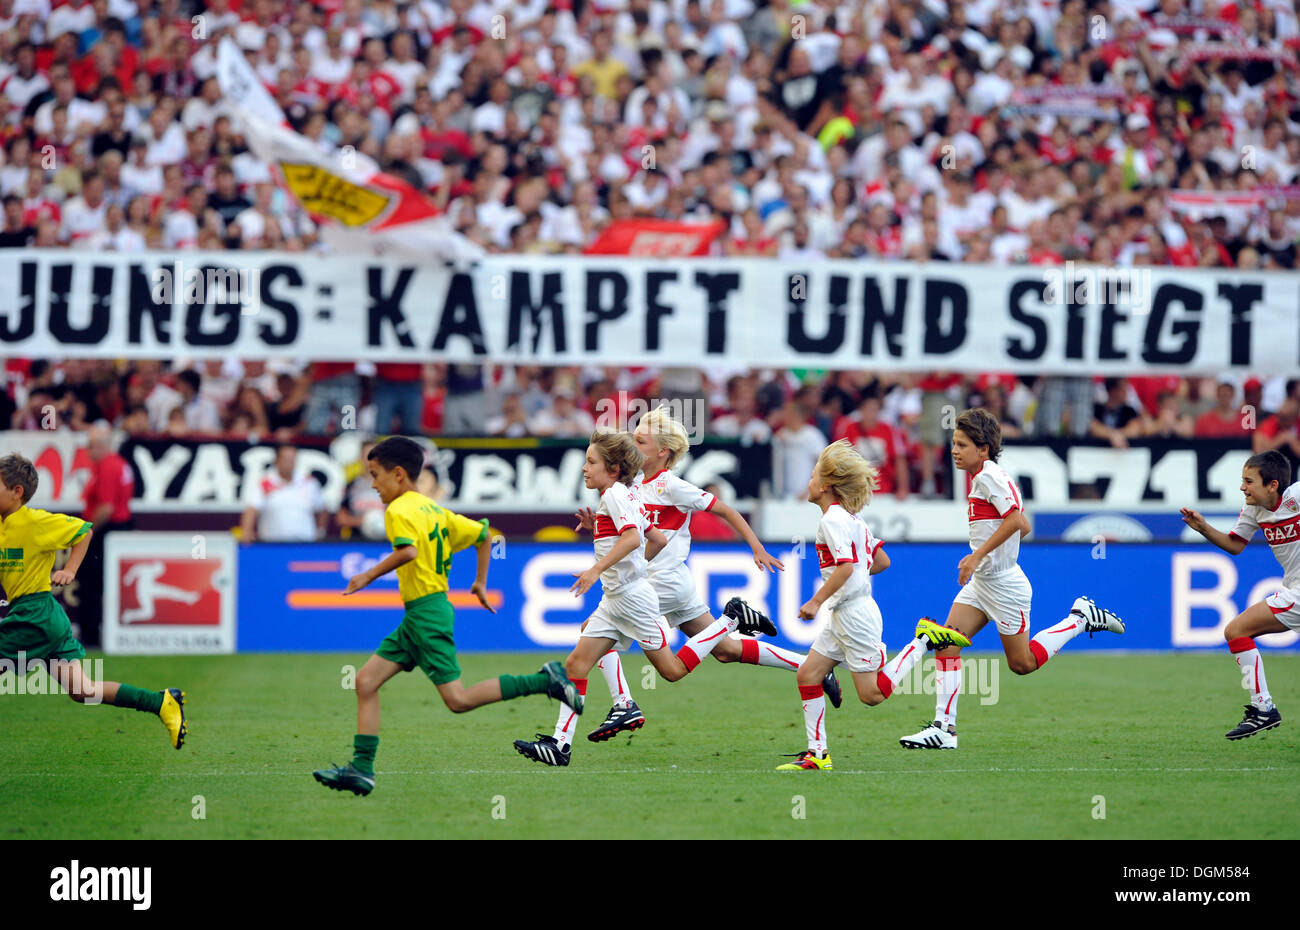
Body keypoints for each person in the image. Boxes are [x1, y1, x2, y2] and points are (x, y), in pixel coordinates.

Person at [312, 436, 584, 796]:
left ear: (398, 474)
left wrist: (367, 575)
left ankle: (544, 680)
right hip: (421, 615)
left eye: (375, 475)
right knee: (365, 682)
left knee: (458, 700)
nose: (372, 484)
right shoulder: (432, 509)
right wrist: (480, 583)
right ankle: (361, 769)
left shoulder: (398, 511)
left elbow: (407, 553)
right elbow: (483, 534)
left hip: (427, 614)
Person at [575, 407, 839, 744]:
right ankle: (812, 666)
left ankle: (624, 703)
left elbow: (726, 509)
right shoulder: (633, 484)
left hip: (662, 582)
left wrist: (756, 547)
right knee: (725, 650)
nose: (632, 445)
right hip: (664, 581)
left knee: (595, 633)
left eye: (640, 441)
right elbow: (632, 531)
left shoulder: (672, 485)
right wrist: (595, 526)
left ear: (662, 452)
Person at [512, 428, 772, 767]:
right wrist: (600, 530)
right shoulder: (626, 495)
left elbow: (634, 539)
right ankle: (561, 745)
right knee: (577, 663)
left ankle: (731, 619)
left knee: (673, 671)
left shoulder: (617, 496)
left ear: (614, 469)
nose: (584, 468)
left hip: (632, 600)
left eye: (591, 462)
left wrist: (596, 568)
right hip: (616, 597)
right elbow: (658, 539)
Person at [897, 409, 1126, 750]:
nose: (954, 450)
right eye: (953, 443)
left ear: (984, 449)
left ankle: (1079, 619)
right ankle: (944, 729)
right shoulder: (983, 477)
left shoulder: (991, 477)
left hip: (1004, 585)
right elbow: (1020, 523)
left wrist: (977, 556)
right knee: (945, 642)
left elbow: (1019, 521)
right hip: (984, 582)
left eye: (962, 444)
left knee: (1022, 664)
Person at [0, 453, 186, 749]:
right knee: (83, 690)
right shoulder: (4, 525)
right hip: (46, 618)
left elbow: (83, 531)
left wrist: (70, 569)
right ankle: (161, 702)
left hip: (34, 616)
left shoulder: (33, 521)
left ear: (16, 492)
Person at [1180, 451, 1299, 740]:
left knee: (1237, 630)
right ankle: (1263, 709)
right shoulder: (1254, 509)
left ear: (1272, 485)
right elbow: (1235, 545)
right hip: (1293, 587)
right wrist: (1204, 528)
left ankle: (1263, 709)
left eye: (1249, 481)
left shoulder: (1297, 496)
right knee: (1237, 631)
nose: (1242, 487)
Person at [78, 423, 134, 647]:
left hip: (105, 533)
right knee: (105, 586)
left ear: (101, 446)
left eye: (91, 446)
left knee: (91, 586)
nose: (88, 451)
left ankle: (91, 638)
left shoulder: (108, 468)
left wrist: (85, 531)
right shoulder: (117, 465)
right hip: (117, 530)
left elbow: (106, 508)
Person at [239, 445, 327, 543]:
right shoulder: (266, 483)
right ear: (277, 461)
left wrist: (320, 532)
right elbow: (252, 509)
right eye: (286, 459)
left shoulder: (308, 482)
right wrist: (247, 531)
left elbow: (322, 508)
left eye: (292, 459)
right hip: (273, 545)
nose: (289, 463)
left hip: (304, 544)